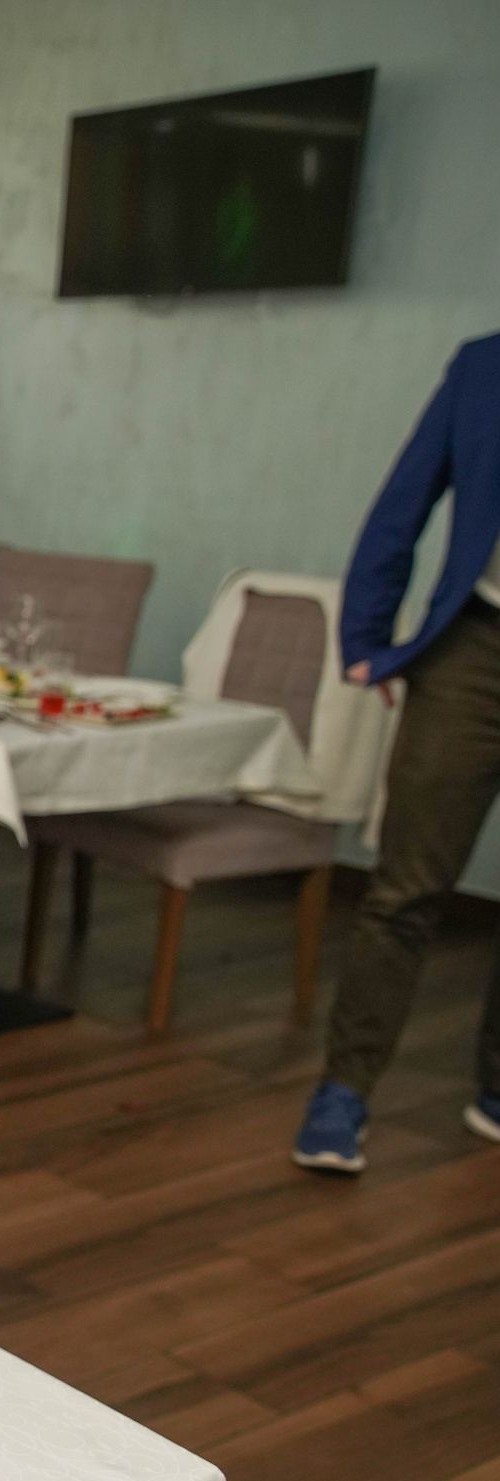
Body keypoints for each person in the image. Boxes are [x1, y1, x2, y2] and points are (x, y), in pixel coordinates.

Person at [292, 331, 500, 1172]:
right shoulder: (483, 366)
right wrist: (368, 634)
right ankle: (344, 1093)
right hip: (474, 651)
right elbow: (404, 501)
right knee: (407, 886)